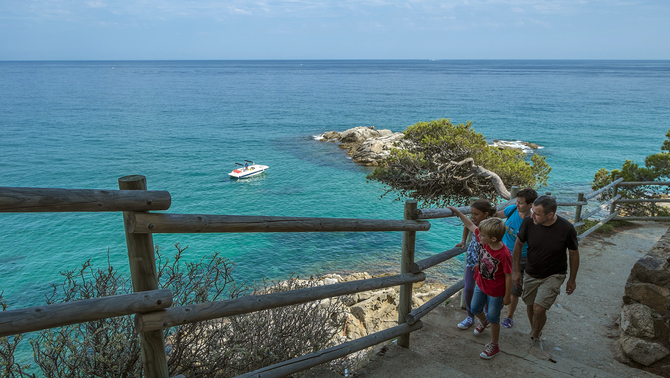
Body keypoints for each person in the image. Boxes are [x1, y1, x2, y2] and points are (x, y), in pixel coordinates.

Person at [513, 195, 579, 349]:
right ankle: (535, 330)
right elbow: (518, 245)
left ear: (549, 215)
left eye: (536, 213)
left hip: (554, 274)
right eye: (532, 211)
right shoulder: (528, 222)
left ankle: (535, 335)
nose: (532, 215)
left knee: (538, 308)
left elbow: (574, 253)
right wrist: (516, 271)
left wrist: (572, 279)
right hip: (531, 272)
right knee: (530, 305)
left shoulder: (566, 228)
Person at [449, 206, 512, 359]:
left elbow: (508, 275)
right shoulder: (486, 239)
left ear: (493, 238)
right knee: (476, 308)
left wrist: (507, 296)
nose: (478, 237)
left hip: (496, 291)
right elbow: (471, 225)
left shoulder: (504, 254)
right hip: (481, 284)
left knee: (494, 318)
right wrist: (458, 213)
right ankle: (483, 322)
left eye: (481, 236)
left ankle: (494, 345)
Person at [496, 188, 538, 329]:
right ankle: (498, 304)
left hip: (520, 258)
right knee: (498, 281)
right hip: (502, 253)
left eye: (521, 203)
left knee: (515, 288)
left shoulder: (532, 221)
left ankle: (509, 317)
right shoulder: (512, 210)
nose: (518, 205)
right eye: (517, 201)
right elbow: (496, 216)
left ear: (531, 205)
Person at [454, 199, 497, 330]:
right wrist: (463, 241)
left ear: (486, 214)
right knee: (468, 288)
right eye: (472, 213)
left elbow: (493, 247)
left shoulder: (491, 226)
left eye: (476, 214)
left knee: (484, 290)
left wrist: (482, 263)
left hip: (485, 262)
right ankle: (470, 316)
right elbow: (468, 225)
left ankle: (485, 317)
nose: (473, 216)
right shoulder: (474, 222)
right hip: (472, 258)